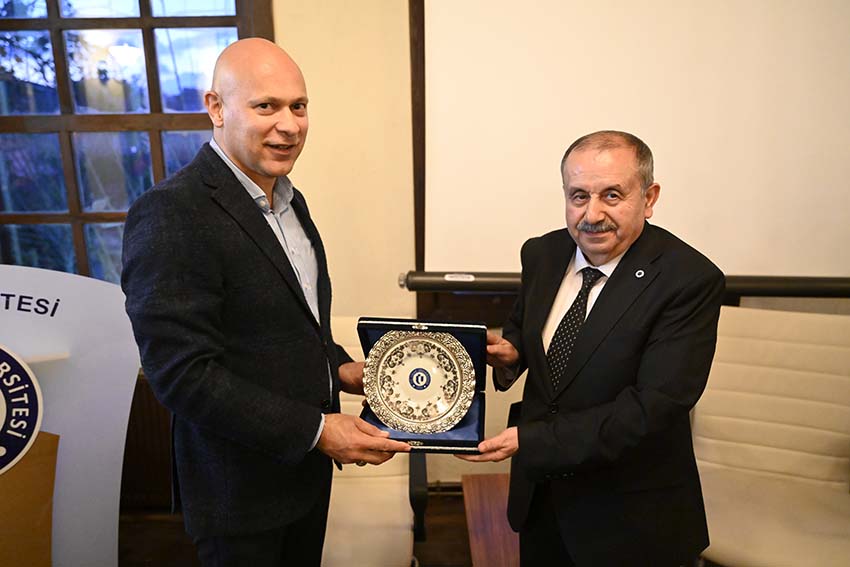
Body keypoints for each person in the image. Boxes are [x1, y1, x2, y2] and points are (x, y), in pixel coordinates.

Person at [121, 38, 409, 566]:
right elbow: (181, 374)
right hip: (238, 495)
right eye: (266, 106)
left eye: (299, 106)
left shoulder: (290, 201)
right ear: (216, 108)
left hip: (304, 480)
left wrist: (341, 367)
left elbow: (294, 326)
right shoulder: (171, 213)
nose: (289, 125)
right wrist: (317, 431)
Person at [460, 131, 724, 566]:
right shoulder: (543, 253)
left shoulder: (688, 279)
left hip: (630, 518)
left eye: (612, 195)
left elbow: (654, 406)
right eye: (578, 196)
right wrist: (513, 353)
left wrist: (532, 439)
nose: (592, 214)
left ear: (649, 198)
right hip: (541, 501)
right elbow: (530, 329)